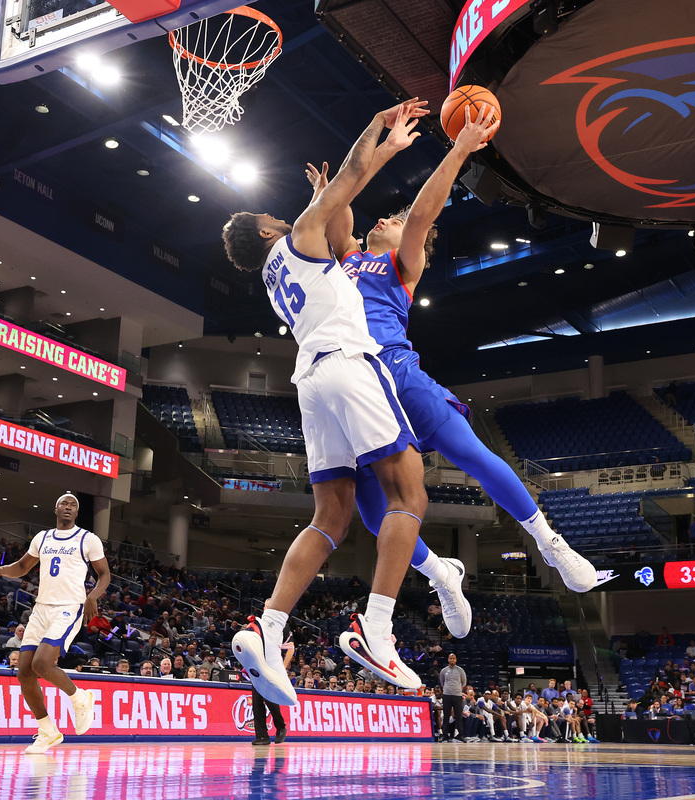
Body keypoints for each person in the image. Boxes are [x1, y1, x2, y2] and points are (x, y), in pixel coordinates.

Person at [307, 107, 595, 598]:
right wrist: (325, 196)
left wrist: (461, 149)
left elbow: (421, 215)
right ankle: (440, 573)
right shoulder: (348, 259)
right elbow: (340, 212)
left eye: (393, 221)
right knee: (375, 514)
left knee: (472, 454)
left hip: (398, 375)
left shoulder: (401, 264)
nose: (388, 219)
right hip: (357, 387)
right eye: (385, 217)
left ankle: (550, 543)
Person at [223, 99, 434, 706]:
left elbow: (338, 232)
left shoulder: (276, 273)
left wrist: (332, 201)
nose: (280, 215)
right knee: (408, 492)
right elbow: (349, 176)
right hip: (347, 364)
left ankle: (269, 628)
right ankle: (377, 627)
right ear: (267, 230)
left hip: (309, 384)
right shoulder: (297, 238)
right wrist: (382, 136)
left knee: (331, 517)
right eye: (272, 215)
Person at [0, 493, 111, 754]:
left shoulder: (88, 539)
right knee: (25, 673)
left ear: (77, 513)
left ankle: (80, 698)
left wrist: (92, 597)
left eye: (73, 505)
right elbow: (22, 566)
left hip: (68, 607)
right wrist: (2, 569)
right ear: (55, 509)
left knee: (42, 663)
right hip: (41, 608)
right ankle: (48, 731)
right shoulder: (42, 538)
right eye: (64, 503)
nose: (68, 507)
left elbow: (104, 574)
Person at [252, 641, 295, 745]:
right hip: (258, 669)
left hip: (272, 669)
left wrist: (283, 666)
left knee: (270, 700)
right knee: (257, 703)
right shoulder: (257, 628)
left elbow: (291, 647)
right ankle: (262, 736)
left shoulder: (280, 627)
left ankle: (281, 727)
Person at [438, 652, 467, 742]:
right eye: (450, 658)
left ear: (456, 660)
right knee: (446, 716)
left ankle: (460, 735)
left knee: (458, 716)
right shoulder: (444, 670)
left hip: (457, 695)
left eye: (453, 658)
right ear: (448, 659)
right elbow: (442, 682)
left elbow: (464, 682)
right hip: (446, 695)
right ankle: (445, 735)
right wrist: (447, 689)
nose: (452, 660)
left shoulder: (460, 670)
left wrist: (457, 689)